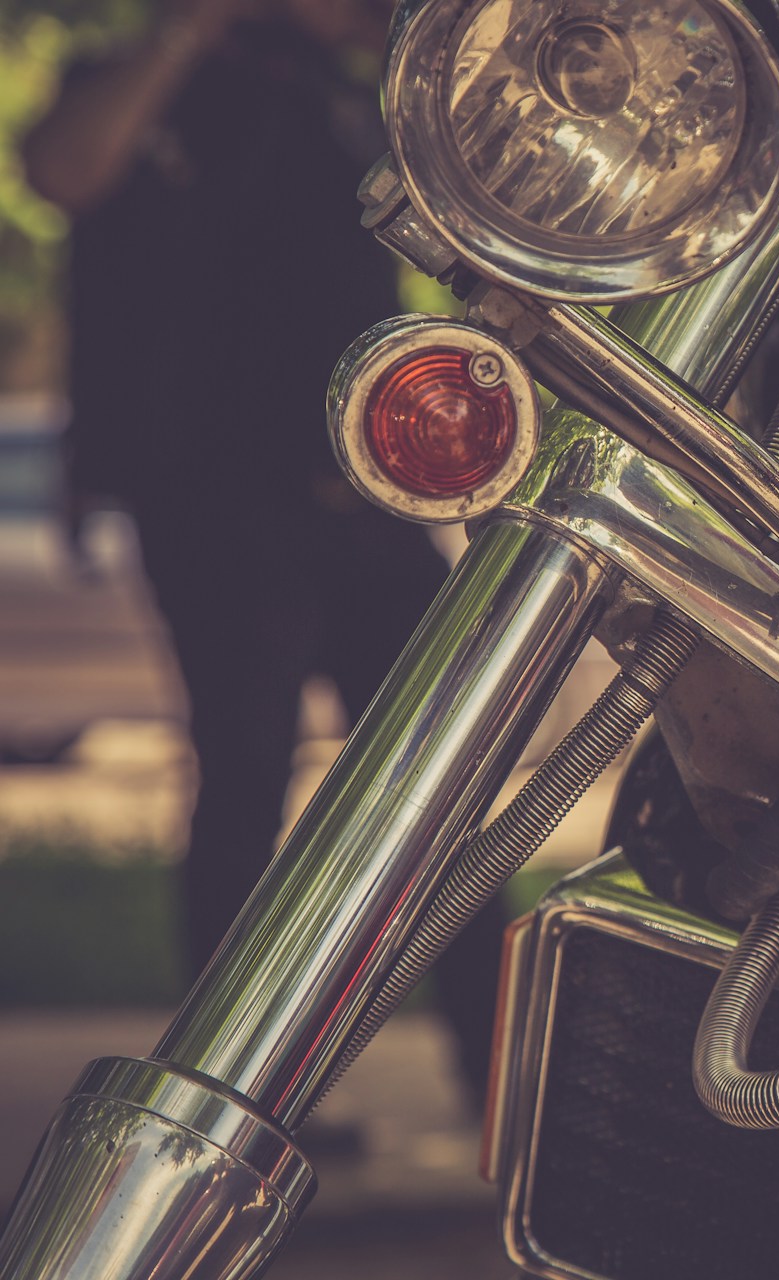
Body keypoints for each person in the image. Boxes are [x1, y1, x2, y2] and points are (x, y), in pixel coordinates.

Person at [22, 0, 503, 1107]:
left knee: (452, 775)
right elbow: (61, 172)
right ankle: (222, 1103)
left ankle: (505, 1092)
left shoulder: (345, 97)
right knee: (244, 784)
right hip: (217, 504)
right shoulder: (133, 79)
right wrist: (190, 33)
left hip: (364, 495)